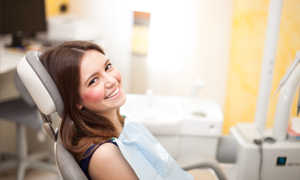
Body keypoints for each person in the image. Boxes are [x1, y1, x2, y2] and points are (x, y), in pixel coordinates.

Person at [39, 41, 201, 180]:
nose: (111, 80)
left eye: (107, 67)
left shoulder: (119, 120)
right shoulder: (104, 154)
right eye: (93, 80)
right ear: (75, 101)